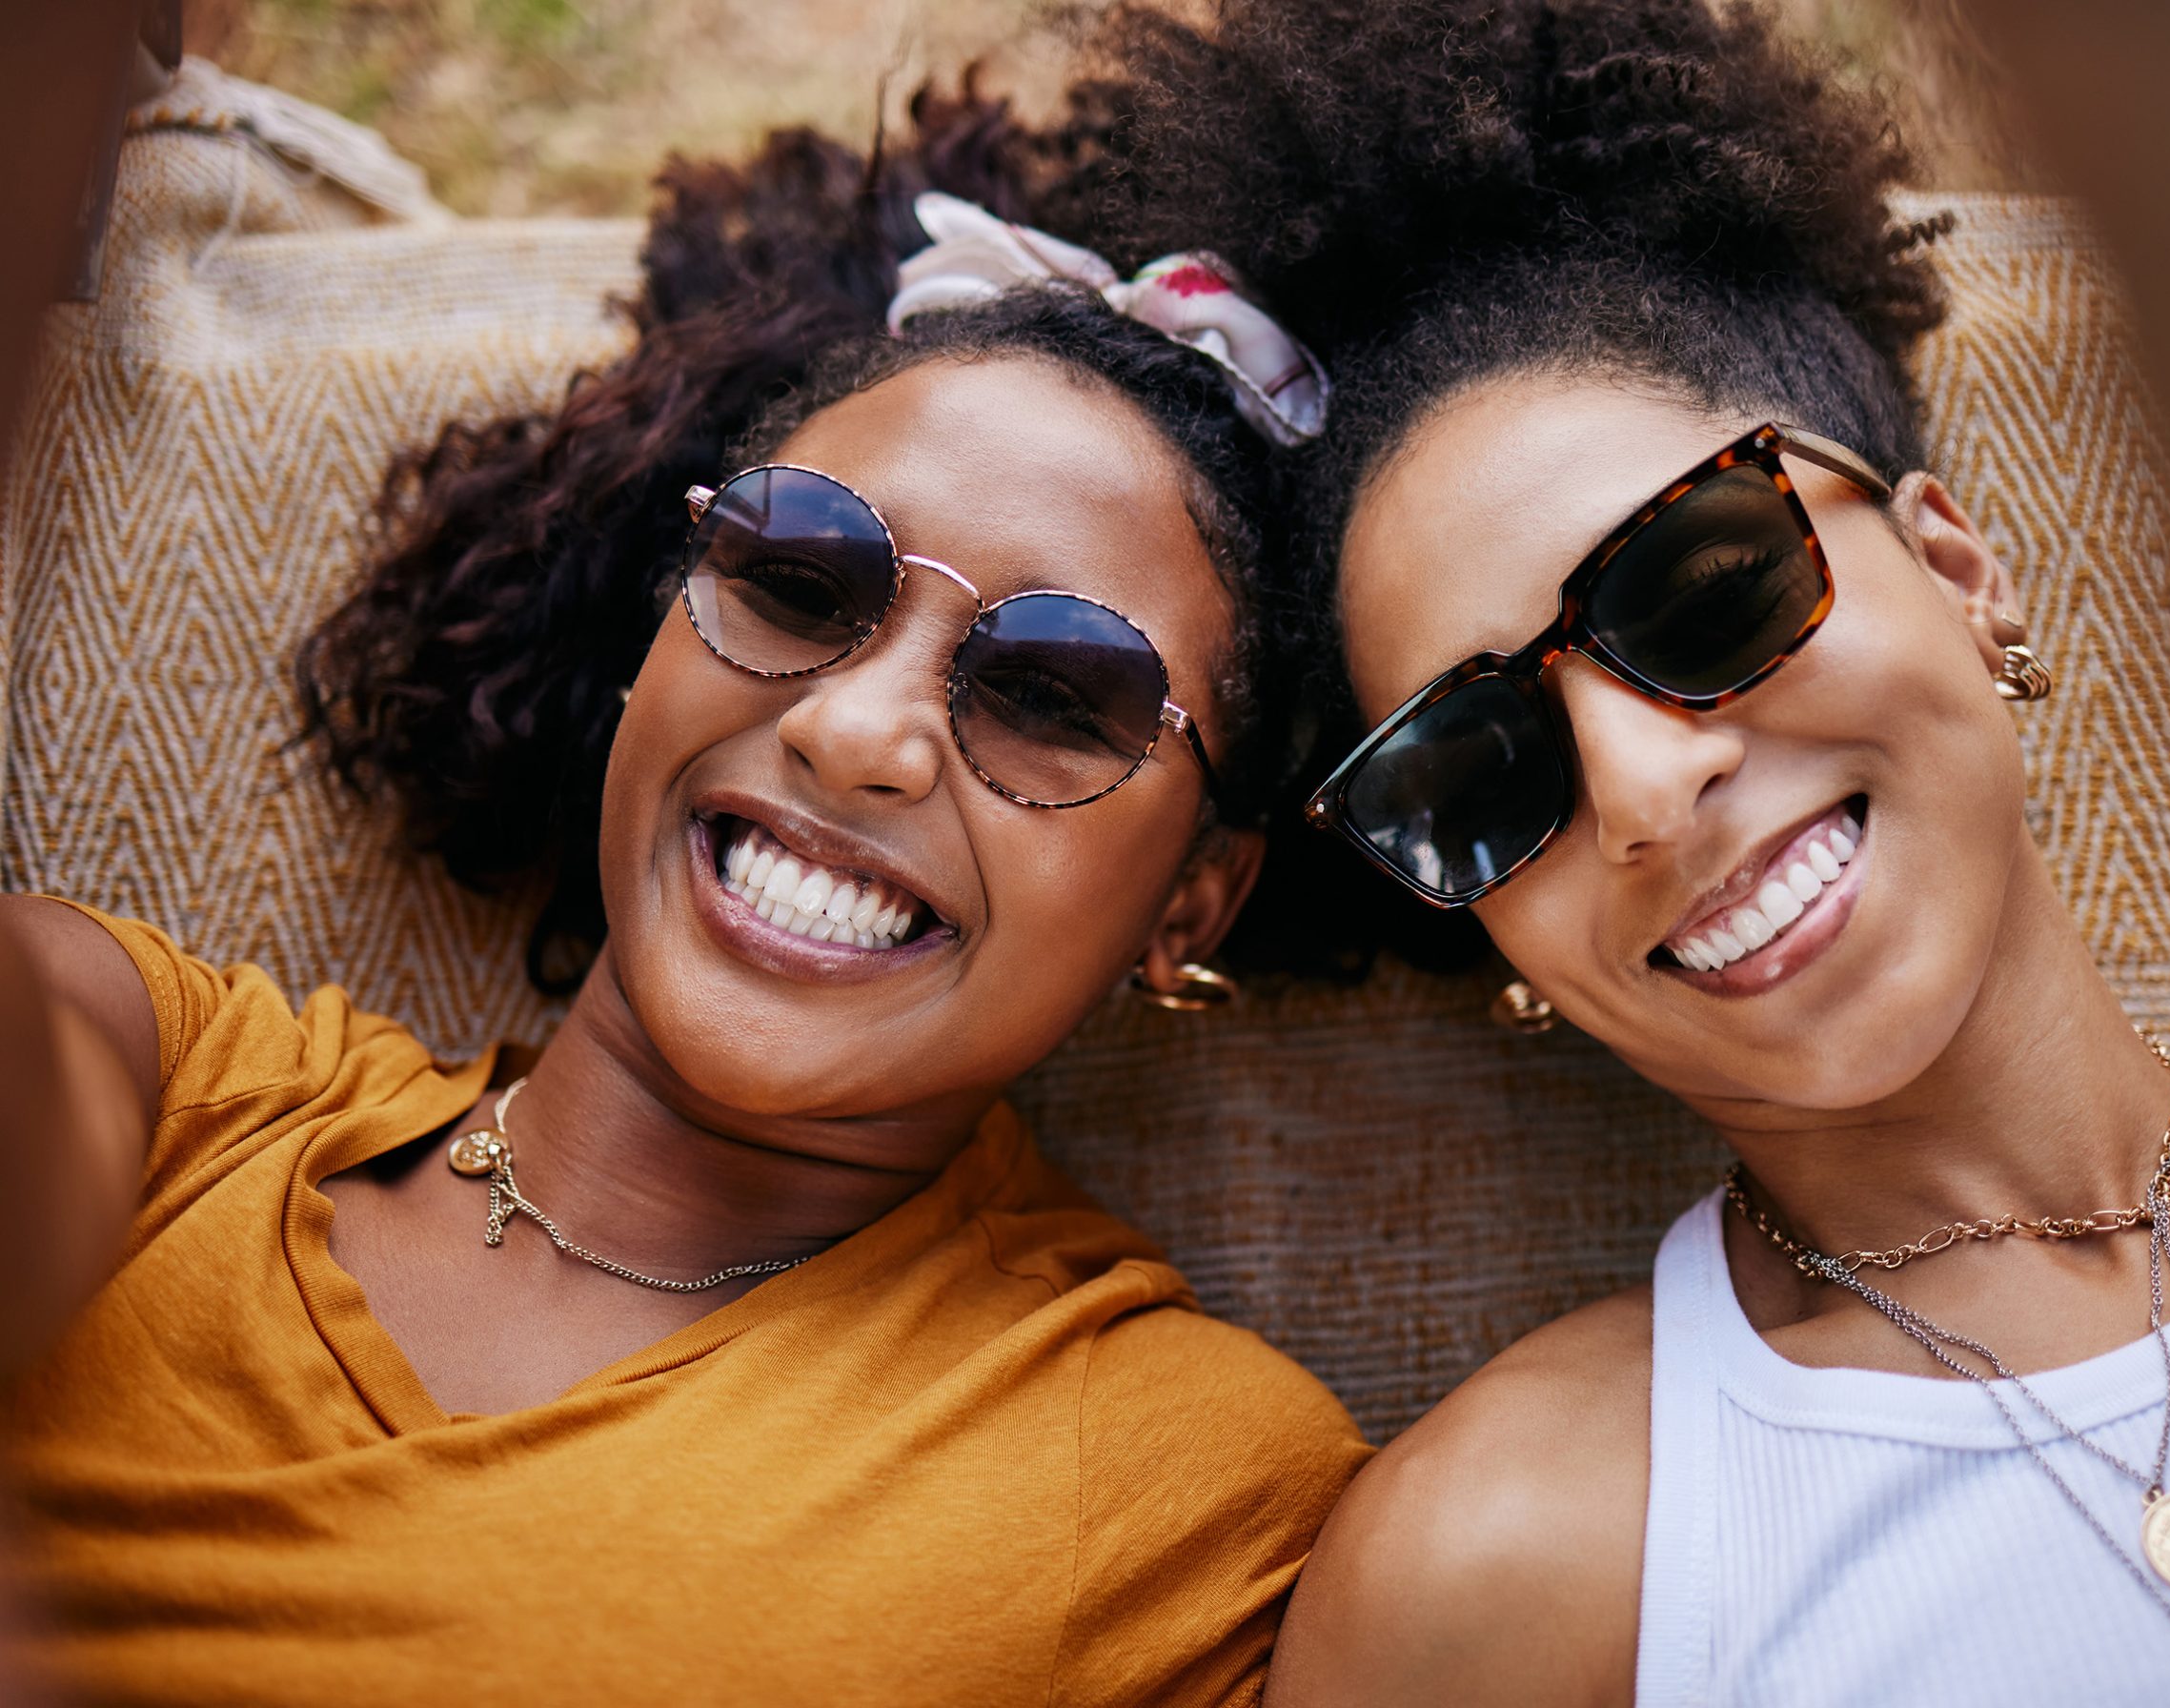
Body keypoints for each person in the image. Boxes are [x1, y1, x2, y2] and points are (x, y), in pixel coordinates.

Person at [1072, 1, 2170, 1701]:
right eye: (1480, 769)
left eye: (1704, 588)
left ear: (1959, 574)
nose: (1641, 794)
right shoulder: (1507, 1564)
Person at [0, 88, 1366, 1706]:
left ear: (1189, 906)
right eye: (801, 580)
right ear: (662, 630)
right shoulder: (162, 1087)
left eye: (1058, 698)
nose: (857, 734)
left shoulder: (1176, 1488)